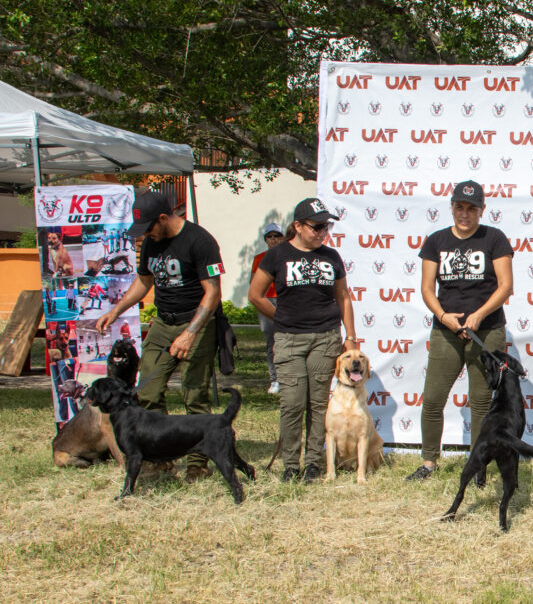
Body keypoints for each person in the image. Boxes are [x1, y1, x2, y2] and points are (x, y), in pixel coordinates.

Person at [96, 191, 223, 483]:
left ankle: (197, 461)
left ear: (164, 218)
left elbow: (213, 292)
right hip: (163, 324)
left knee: (195, 395)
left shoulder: (199, 240)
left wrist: (190, 333)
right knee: (148, 390)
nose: (147, 235)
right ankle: (161, 454)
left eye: (150, 227)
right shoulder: (152, 243)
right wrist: (116, 311)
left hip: (197, 322)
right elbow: (144, 281)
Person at [407, 180, 514, 481]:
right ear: (451, 207)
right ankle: (428, 462)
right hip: (446, 331)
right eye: (459, 207)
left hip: (487, 329)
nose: (465, 214)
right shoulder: (436, 241)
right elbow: (427, 288)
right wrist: (443, 316)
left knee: (480, 402)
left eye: (472, 208)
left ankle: (477, 464)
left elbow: (506, 285)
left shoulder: (495, 238)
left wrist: (479, 315)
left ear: (482, 209)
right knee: (433, 399)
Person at [249, 198, 357, 484]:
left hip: (326, 337)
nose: (323, 232)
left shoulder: (331, 256)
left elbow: (343, 297)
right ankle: (290, 464)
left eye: (327, 226)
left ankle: (312, 463)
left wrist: (351, 337)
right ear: (297, 226)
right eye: (317, 226)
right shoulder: (277, 255)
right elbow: (255, 295)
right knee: (292, 403)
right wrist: (281, 317)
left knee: (318, 403)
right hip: (289, 339)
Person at [251, 222, 285, 394]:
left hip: (284, 299)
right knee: (271, 340)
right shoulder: (259, 258)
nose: (273, 239)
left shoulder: (287, 255)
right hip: (266, 300)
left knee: (287, 339)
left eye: (276, 236)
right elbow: (253, 284)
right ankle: (274, 379)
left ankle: (287, 377)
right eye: (270, 237)